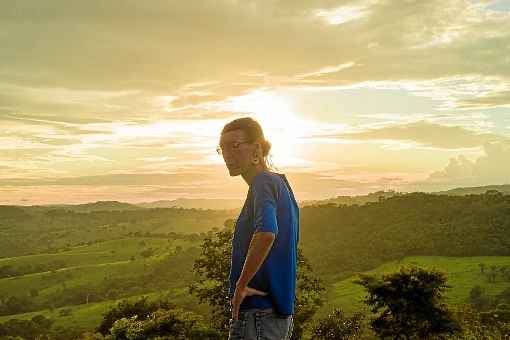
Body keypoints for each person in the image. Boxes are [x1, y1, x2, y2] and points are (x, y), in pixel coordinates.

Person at [217, 117, 300, 340]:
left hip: (258, 314)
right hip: (275, 314)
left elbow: (266, 234)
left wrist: (241, 285)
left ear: (257, 149)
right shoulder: (279, 184)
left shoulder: (263, 182)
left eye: (234, 146)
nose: (227, 155)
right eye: (222, 148)